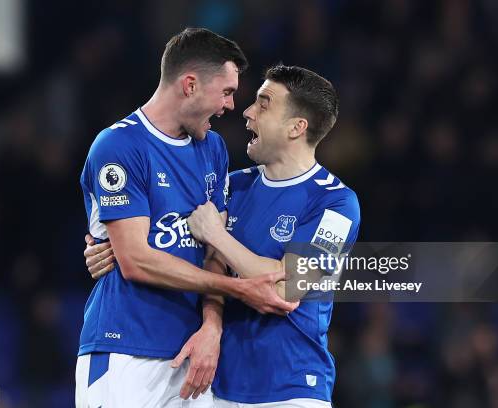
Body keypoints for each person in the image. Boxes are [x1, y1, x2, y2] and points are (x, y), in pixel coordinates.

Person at [86, 65, 361, 407]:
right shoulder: (234, 184)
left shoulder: (336, 203)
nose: (246, 112)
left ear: (296, 127)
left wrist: (219, 235)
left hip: (293, 387)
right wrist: (110, 248)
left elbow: (286, 288)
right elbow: (200, 257)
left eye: (263, 104)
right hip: (217, 387)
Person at [76, 28, 297, 408]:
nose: (231, 106)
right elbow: (135, 261)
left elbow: (214, 252)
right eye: (226, 92)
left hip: (192, 355)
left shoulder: (212, 149)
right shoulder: (118, 146)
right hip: (125, 348)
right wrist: (239, 289)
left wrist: (212, 325)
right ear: (190, 85)